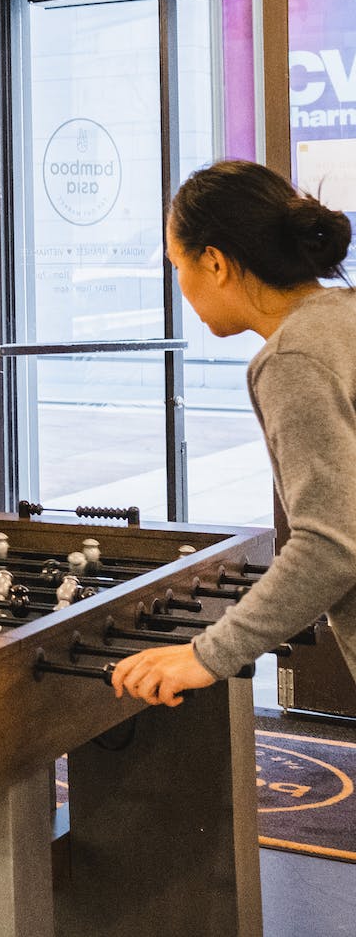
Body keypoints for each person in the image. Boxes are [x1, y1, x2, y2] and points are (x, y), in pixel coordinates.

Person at [113, 160, 355, 707]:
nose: (180, 285)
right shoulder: (344, 316)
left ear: (215, 262)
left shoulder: (294, 356)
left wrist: (208, 654)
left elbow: (332, 544)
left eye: (177, 265)